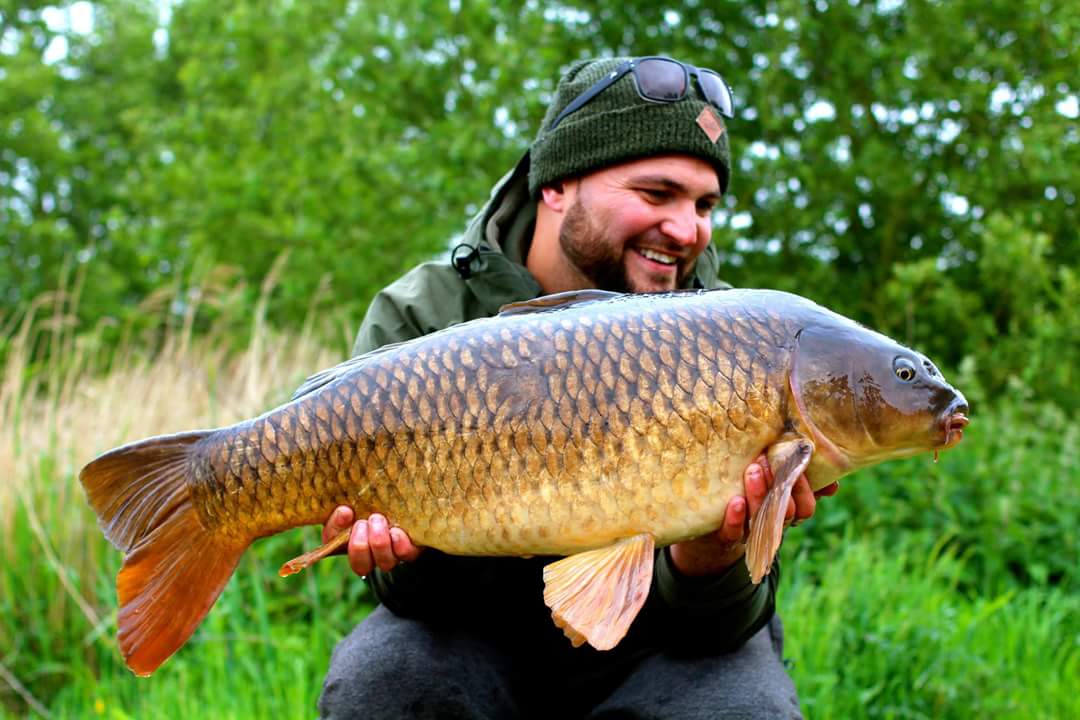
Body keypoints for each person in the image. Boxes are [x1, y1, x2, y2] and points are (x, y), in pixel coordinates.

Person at [315, 56, 838, 720]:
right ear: (557, 184)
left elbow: (721, 629)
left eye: (704, 205)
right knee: (384, 680)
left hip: (659, 642)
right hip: (472, 628)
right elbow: (413, 600)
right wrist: (409, 556)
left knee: (745, 705)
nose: (687, 230)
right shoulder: (429, 313)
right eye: (657, 194)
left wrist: (711, 555)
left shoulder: (739, 338)